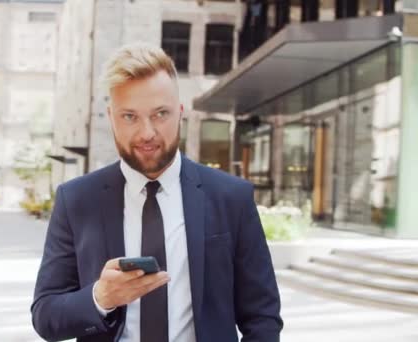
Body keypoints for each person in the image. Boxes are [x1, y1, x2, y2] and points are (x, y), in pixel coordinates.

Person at [31, 42, 283, 342]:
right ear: (111, 117)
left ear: (180, 113)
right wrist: (101, 297)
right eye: (130, 117)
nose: (147, 132)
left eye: (160, 113)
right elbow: (45, 316)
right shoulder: (76, 200)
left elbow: (262, 317)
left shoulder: (231, 198)